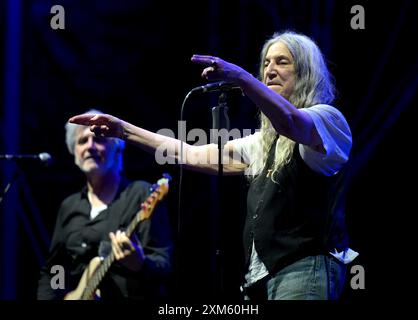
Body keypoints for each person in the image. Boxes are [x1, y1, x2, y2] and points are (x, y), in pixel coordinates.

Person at [69, 31, 358, 300]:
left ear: (305, 73)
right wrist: (123, 130)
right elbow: (190, 154)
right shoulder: (263, 143)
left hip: (304, 269)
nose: (269, 70)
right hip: (261, 279)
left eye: (282, 62)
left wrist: (242, 78)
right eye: (266, 63)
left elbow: (291, 122)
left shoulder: (328, 120)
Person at [37, 109, 173, 300]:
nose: (90, 146)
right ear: (74, 151)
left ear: (117, 148)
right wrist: (58, 296)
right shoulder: (69, 207)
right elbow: (55, 269)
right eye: (82, 141)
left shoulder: (141, 195)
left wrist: (140, 265)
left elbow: (164, 265)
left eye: (99, 139)